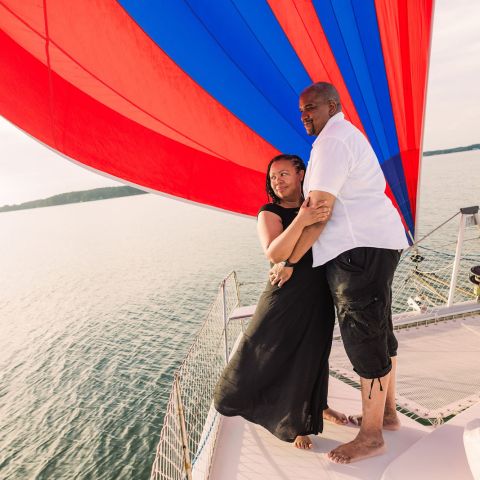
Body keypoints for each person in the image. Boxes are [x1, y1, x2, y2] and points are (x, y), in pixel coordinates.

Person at [270, 82, 409, 463]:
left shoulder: (332, 142)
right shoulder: (343, 137)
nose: (304, 116)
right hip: (375, 243)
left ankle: (371, 434)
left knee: (363, 335)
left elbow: (318, 212)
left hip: (357, 249)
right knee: (379, 330)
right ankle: (389, 414)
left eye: (311, 108)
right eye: (301, 111)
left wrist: (290, 261)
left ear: (332, 105)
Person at [214, 153, 347, 449]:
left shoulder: (316, 202)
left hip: (320, 289)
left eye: (284, 174)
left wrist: (307, 215)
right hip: (284, 292)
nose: (277, 181)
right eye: (273, 177)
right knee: (264, 347)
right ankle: (293, 422)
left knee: (315, 352)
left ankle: (318, 408)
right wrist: (301, 219)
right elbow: (274, 252)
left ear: (301, 174)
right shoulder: (269, 212)